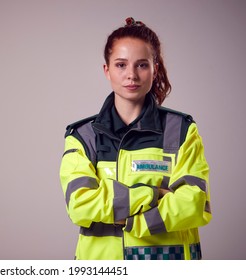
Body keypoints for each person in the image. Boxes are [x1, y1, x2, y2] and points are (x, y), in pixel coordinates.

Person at [59, 17, 211, 260]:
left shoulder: (182, 130)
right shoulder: (83, 137)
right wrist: (152, 194)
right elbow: (80, 206)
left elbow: (193, 204)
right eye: (121, 65)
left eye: (141, 65)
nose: (131, 75)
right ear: (106, 70)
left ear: (155, 69)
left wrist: (129, 222)